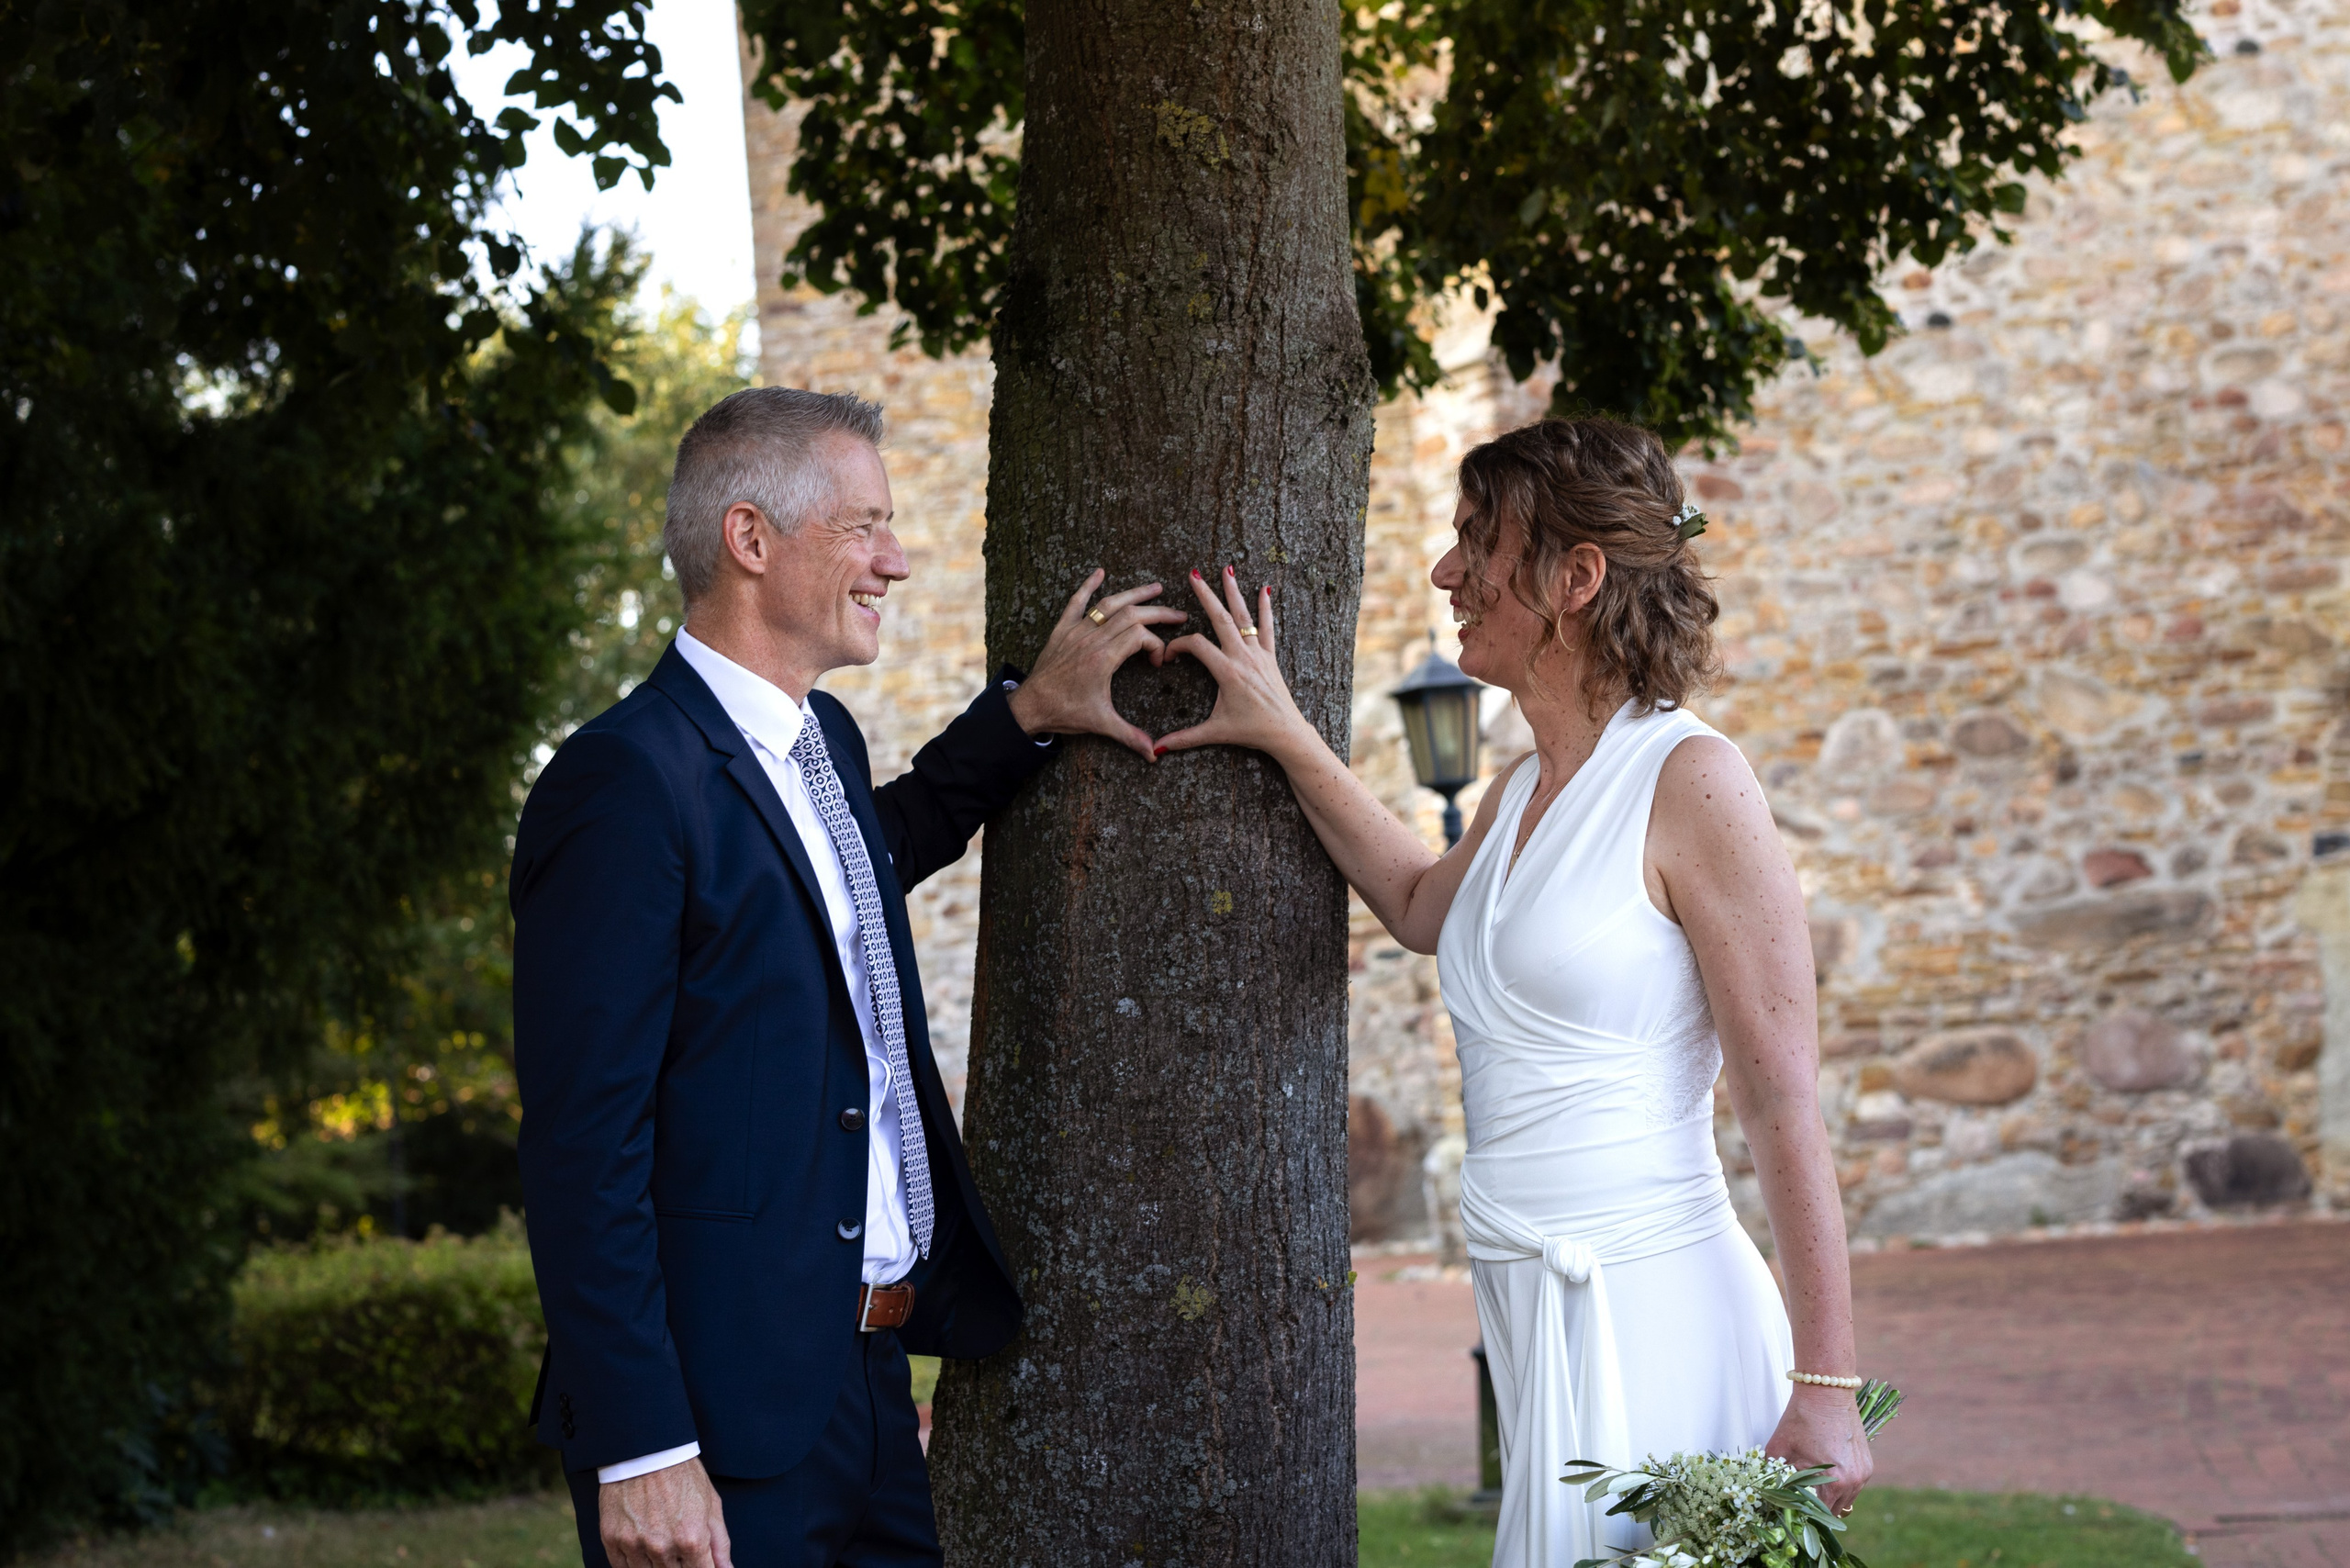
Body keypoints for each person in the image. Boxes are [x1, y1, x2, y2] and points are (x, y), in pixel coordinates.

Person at [1159, 417, 1872, 1565]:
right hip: (1529, 1315)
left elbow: (1783, 1098)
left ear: (1575, 578)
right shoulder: (1515, 793)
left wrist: (1829, 1387)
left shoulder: (1694, 780)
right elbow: (1416, 904)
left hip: (1654, 1309)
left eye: (1473, 542)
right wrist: (1285, 733)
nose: (1445, 572)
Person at [511, 387, 1183, 1568]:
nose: (898, 560)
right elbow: (580, 1145)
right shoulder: (620, 781)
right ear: (751, 539)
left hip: (866, 1390)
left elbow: (860, 865)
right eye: (864, 525)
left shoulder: (820, 744)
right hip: (712, 1427)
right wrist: (640, 1447)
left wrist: (1027, 715)